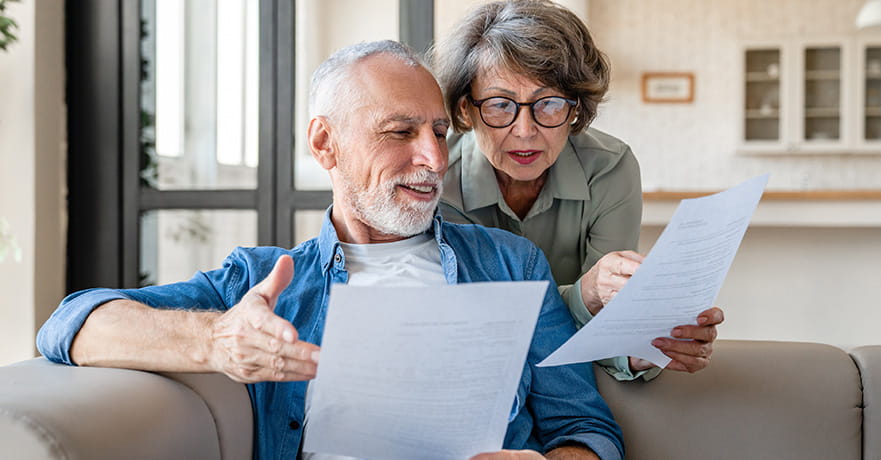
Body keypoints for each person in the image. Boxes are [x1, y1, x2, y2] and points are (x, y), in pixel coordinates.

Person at [37, 41, 623, 460]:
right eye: (401, 132)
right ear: (326, 143)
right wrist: (215, 340)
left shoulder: (511, 265)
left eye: (439, 132)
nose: (435, 160)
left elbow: (586, 427)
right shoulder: (265, 280)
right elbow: (70, 325)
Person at [430, 0, 723, 380]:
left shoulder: (610, 167)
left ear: (576, 109)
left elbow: (614, 323)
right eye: (500, 105)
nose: (525, 130)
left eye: (549, 104)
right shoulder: (435, 178)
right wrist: (584, 297)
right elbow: (474, 324)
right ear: (466, 110)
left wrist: (643, 350)